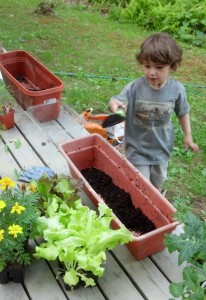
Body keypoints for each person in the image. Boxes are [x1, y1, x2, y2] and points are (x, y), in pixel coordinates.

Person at [108, 32, 199, 191]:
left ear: (173, 66)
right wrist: (115, 103)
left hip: (161, 150)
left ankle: (154, 198)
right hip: (137, 149)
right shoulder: (136, 87)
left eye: (159, 67)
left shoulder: (177, 90)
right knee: (142, 187)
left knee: (157, 183)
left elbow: (183, 112)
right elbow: (118, 99)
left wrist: (188, 136)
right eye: (147, 66)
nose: (151, 72)